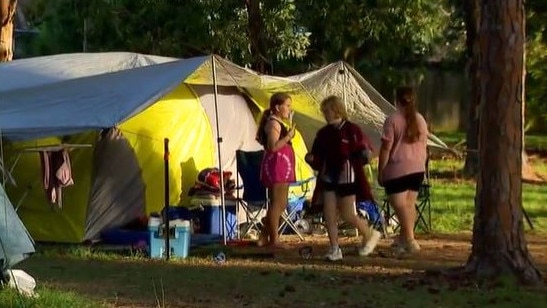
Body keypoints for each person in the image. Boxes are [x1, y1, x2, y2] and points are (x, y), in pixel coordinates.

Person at [305, 95, 381, 261]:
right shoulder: (323, 133)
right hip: (327, 176)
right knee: (329, 213)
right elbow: (316, 154)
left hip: (346, 176)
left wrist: (365, 155)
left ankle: (369, 234)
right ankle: (334, 248)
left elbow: (363, 149)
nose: (326, 114)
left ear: (336, 109)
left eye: (328, 110)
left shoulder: (352, 129)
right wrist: (311, 159)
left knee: (347, 214)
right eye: (324, 111)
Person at [378, 86, 428, 254]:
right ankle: (402, 240)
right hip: (417, 168)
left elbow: (386, 147)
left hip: (397, 168)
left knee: (399, 205)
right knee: (409, 204)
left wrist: (381, 169)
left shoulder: (392, 119)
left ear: (396, 100)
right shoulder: (420, 119)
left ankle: (410, 240)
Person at [255, 92, 296, 249]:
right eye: (287, 106)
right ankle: (275, 240)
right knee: (279, 203)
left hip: (281, 165)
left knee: (278, 203)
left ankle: (263, 237)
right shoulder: (274, 124)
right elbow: (273, 147)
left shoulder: (277, 122)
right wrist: (288, 137)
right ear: (278, 107)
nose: (288, 109)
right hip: (277, 165)